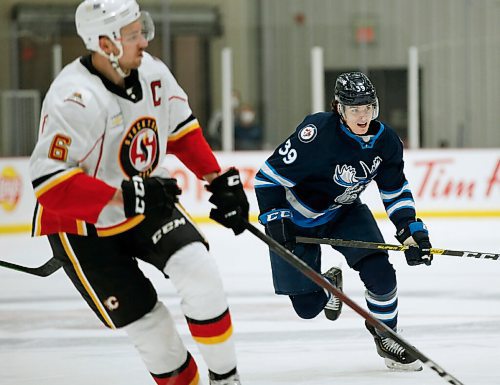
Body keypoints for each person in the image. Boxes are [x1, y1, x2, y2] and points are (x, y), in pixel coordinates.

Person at [28, 1, 248, 384]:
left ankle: (227, 380)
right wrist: (125, 196)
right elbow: (50, 183)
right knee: (153, 330)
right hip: (84, 228)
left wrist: (217, 179)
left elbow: (182, 131)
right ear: (105, 43)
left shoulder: (153, 74)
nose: (144, 41)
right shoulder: (73, 98)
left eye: (141, 29)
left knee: (200, 272)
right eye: (133, 35)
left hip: (145, 200)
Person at [254, 71, 432, 371]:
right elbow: (267, 179)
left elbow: (395, 189)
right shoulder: (317, 132)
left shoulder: (385, 141)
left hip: (344, 211)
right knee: (308, 308)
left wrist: (410, 229)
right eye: (354, 110)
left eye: (367, 108)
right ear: (339, 108)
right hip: (296, 220)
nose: (362, 117)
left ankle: (387, 337)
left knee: (382, 274)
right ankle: (327, 286)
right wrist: (275, 218)